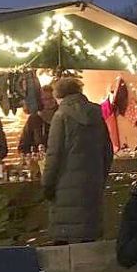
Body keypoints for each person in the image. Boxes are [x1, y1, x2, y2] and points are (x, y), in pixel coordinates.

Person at [42, 77, 113, 244]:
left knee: (65, 249)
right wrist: (99, 178)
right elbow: (107, 152)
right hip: (92, 189)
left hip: (65, 192)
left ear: (59, 95)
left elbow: (54, 155)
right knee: (88, 247)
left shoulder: (61, 117)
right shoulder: (96, 115)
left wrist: (47, 185)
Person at [18, 84, 57, 154]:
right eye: (45, 99)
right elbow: (23, 145)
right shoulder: (34, 119)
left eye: (51, 98)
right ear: (40, 101)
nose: (48, 102)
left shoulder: (62, 116)